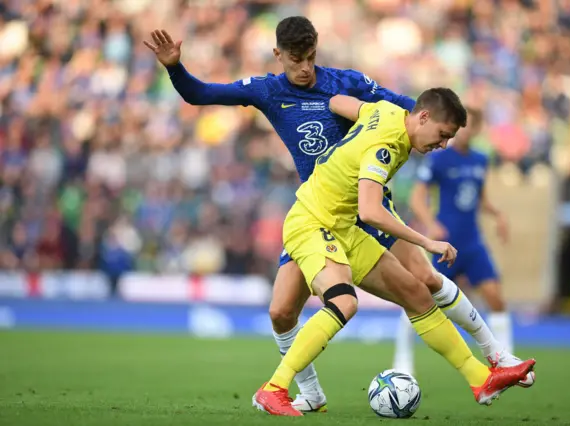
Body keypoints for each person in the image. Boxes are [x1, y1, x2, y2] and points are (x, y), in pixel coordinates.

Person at [144, 16, 526, 413]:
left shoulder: (349, 82)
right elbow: (199, 93)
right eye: (296, 60)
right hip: (321, 210)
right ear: (278, 55)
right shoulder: (267, 91)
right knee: (281, 312)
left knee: (423, 281)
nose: (306, 68)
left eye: (311, 57)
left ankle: (496, 359)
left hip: (363, 206)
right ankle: (306, 393)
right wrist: (174, 66)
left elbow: (410, 110)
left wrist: (436, 125)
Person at [253, 92, 536, 416]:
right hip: (312, 222)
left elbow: (338, 103)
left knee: (416, 293)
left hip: (343, 227)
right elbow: (371, 211)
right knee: (344, 302)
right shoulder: (386, 146)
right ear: (424, 118)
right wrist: (427, 242)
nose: (442, 145)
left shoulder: (387, 110)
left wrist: (342, 151)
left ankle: (480, 379)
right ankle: (274, 388)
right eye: (443, 135)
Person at [410, 108, 515, 356]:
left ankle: (507, 356)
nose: (465, 130)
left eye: (470, 125)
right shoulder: (438, 157)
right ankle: (404, 358)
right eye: (460, 125)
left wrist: (497, 214)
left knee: (496, 298)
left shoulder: (480, 159)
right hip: (445, 243)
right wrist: (430, 223)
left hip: (472, 242)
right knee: (420, 299)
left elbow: (480, 199)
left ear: (477, 129)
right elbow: (417, 199)